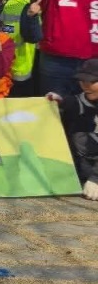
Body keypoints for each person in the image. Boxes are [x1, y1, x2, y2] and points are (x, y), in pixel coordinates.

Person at [47, 59, 98, 201]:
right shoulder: (74, 103)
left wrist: (95, 179)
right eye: (82, 80)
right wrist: (54, 104)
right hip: (82, 169)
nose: (85, 86)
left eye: (91, 81)